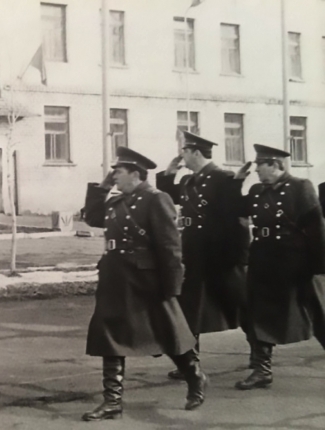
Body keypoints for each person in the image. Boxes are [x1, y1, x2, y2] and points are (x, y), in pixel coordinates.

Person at [81, 146, 207, 421]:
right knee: (109, 336)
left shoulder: (156, 199)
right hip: (115, 279)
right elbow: (91, 217)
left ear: (135, 174)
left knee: (169, 334)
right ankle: (112, 402)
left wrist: (172, 287)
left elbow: (170, 246)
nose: (114, 176)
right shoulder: (116, 201)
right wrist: (102, 188)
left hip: (146, 282)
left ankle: (195, 376)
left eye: (118, 172)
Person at [155, 131, 251, 379]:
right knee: (189, 308)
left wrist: (238, 257)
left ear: (196, 153)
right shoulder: (189, 180)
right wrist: (169, 173)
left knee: (241, 306)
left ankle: (262, 361)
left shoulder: (223, 177)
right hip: (194, 254)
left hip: (221, 256)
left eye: (185, 152)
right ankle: (190, 364)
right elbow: (169, 196)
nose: (182, 156)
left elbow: (238, 220)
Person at [231, 144, 325, 390]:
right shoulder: (256, 190)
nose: (257, 170)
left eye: (260, 165)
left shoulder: (300, 187)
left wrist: (318, 266)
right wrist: (237, 182)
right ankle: (261, 370)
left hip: (295, 263)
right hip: (263, 261)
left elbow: (315, 227)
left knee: (317, 313)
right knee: (256, 314)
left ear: (275, 165)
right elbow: (235, 208)